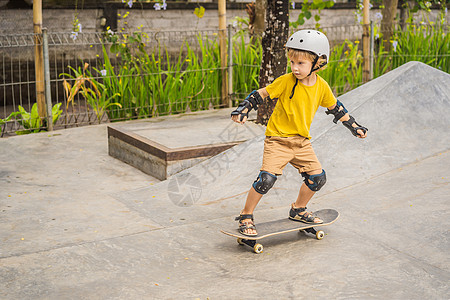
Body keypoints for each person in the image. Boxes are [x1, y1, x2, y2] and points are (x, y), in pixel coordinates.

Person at [230, 29, 368, 236]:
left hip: (302, 143)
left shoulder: (322, 87)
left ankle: (298, 209)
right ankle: (246, 215)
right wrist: (244, 107)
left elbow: (336, 108)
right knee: (266, 180)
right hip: (277, 140)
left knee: (317, 178)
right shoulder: (286, 81)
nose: (295, 68)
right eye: (292, 62)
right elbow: (262, 93)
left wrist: (354, 126)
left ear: (319, 62)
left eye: (301, 63)